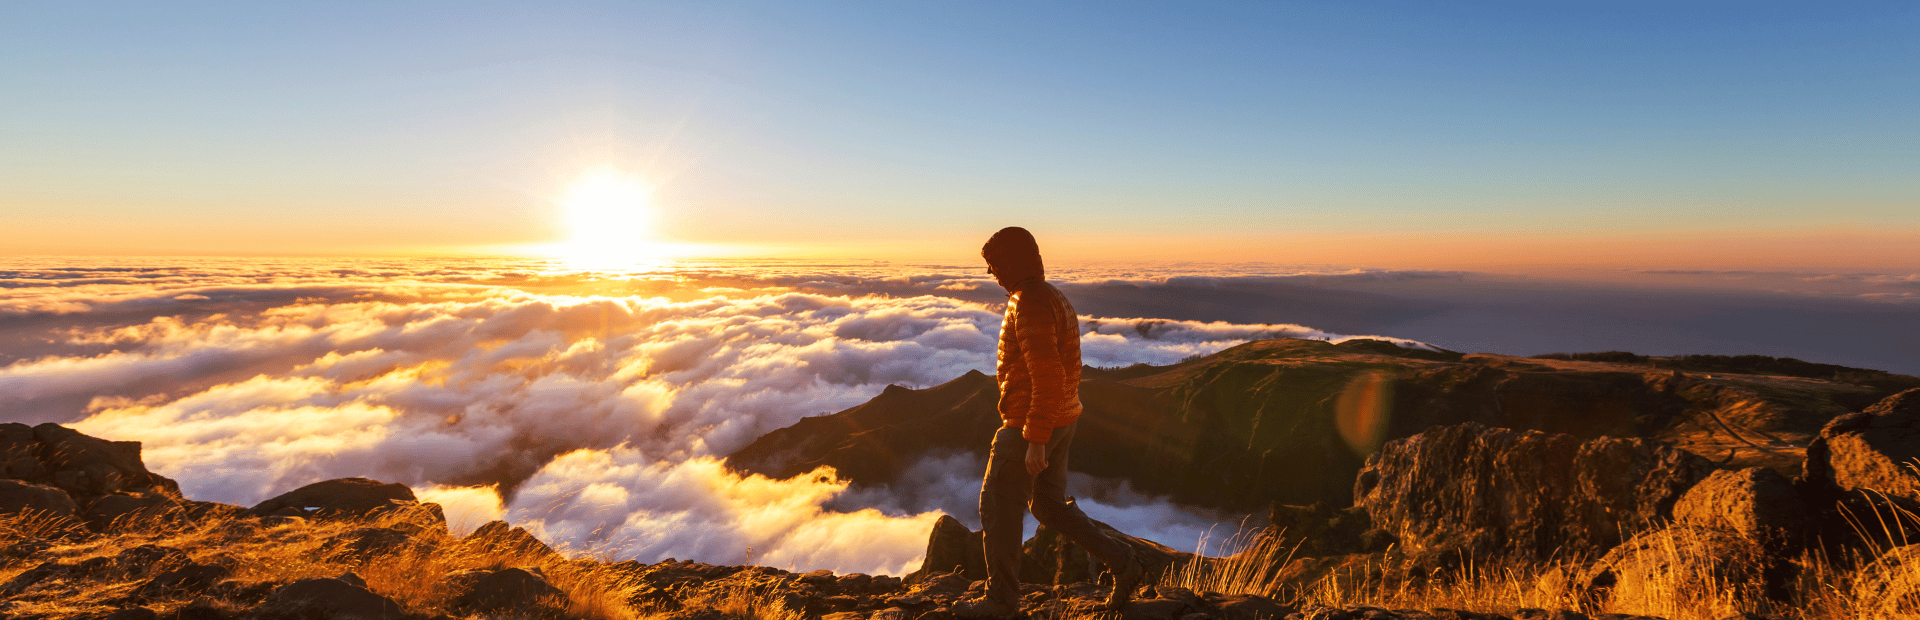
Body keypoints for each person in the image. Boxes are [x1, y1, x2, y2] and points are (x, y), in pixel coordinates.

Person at [955, 227, 1143, 619]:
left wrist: (1035, 439)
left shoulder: (1031, 304)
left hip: (1030, 425)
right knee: (1049, 507)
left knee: (997, 508)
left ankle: (1001, 602)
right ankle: (1125, 563)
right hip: (1062, 418)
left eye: (995, 265)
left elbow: (1047, 375)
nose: (992, 274)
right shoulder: (1049, 295)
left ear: (1013, 261)